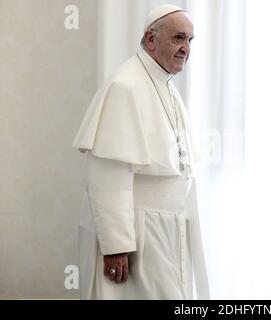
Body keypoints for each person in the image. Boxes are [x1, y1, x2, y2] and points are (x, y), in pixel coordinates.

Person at [72, 4, 209, 300]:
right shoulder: (125, 86)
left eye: (190, 40)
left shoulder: (165, 84)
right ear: (150, 39)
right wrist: (116, 246)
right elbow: (108, 175)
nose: (186, 48)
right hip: (138, 230)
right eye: (178, 38)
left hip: (166, 227)